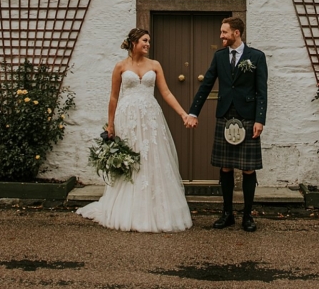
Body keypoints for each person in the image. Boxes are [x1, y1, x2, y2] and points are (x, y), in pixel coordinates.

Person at [77, 28, 193, 232]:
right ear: (133, 42)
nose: (148, 44)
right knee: (131, 160)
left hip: (150, 118)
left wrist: (183, 114)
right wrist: (110, 124)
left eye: (149, 41)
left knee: (152, 158)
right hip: (127, 118)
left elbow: (165, 92)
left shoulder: (155, 65)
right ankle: (127, 208)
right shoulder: (120, 66)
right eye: (144, 40)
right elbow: (113, 97)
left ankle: (157, 211)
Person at [185, 16, 267, 232]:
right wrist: (193, 112)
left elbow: (262, 92)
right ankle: (227, 213)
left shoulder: (256, 56)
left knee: (248, 168)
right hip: (225, 115)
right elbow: (206, 85)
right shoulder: (219, 56)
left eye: (224, 32)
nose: (221, 35)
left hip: (248, 116)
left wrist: (260, 119)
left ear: (236, 33)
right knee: (225, 166)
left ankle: (247, 216)